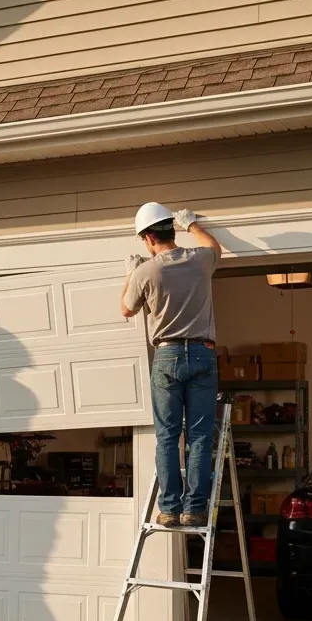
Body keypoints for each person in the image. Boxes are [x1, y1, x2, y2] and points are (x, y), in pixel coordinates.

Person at [121, 204, 222, 528]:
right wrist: (191, 225)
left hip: (167, 355)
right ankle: (194, 508)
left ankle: (168, 508)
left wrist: (131, 273)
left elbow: (125, 309)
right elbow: (214, 247)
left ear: (149, 236)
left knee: (167, 435)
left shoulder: (146, 272)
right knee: (200, 436)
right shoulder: (200, 260)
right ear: (170, 230)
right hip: (203, 354)